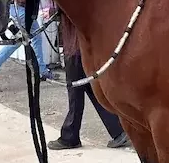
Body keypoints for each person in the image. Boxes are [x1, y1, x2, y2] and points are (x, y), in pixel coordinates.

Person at [48, 15, 130, 150]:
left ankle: (70, 136)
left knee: (75, 94)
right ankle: (118, 130)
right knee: (91, 90)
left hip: (74, 48)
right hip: (82, 48)